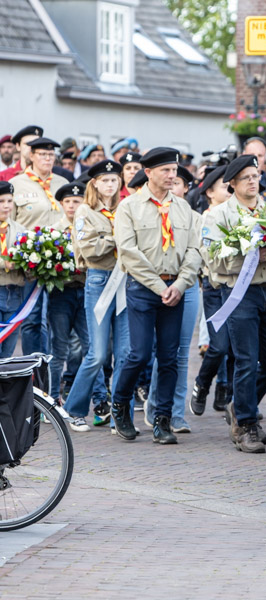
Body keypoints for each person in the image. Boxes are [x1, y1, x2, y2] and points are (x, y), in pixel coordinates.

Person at [109, 147, 201, 445]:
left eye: (174, 170)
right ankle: (120, 404)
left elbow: (194, 250)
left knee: (170, 357)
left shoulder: (183, 208)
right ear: (148, 173)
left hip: (175, 288)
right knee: (139, 354)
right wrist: (161, 288)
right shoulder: (129, 207)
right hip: (143, 289)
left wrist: (181, 284)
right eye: (165, 170)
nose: (172, 175)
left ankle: (163, 419)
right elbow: (128, 252)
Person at [201, 155, 266, 453]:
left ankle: (239, 405)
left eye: (256, 175)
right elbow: (212, 259)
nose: (252, 181)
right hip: (239, 292)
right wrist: (249, 256)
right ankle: (246, 424)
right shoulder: (218, 215)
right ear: (233, 183)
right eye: (246, 177)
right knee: (246, 359)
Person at [65, 160, 130, 432]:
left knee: (125, 353)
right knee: (98, 353)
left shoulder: (125, 208)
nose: (110, 185)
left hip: (125, 280)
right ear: (95, 183)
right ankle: (74, 409)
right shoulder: (86, 211)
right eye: (105, 180)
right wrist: (119, 238)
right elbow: (89, 250)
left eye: (114, 180)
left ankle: (119, 414)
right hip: (99, 280)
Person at [143, 163, 200, 433]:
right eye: (170, 181)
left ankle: (176, 413)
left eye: (178, 183)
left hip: (187, 285)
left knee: (181, 352)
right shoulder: (152, 211)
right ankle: (155, 406)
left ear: (186, 188)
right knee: (162, 351)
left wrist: (182, 282)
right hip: (156, 285)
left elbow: (196, 250)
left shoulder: (192, 215)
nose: (173, 186)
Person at [11, 136, 66, 355]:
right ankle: (34, 368)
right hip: (30, 263)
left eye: (51, 154)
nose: (47, 158)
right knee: (32, 319)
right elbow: (10, 223)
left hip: (61, 262)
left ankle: (55, 367)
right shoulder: (17, 184)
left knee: (59, 320)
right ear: (31, 156)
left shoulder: (62, 183)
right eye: (42, 154)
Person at [190, 166, 234, 415]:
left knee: (237, 346)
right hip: (214, 286)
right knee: (219, 345)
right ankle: (202, 383)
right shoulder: (205, 218)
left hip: (237, 285)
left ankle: (228, 393)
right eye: (224, 188)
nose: (229, 192)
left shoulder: (237, 214)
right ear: (209, 192)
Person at [47, 182, 90, 412]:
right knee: (59, 348)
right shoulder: (54, 231)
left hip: (85, 290)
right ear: (61, 204)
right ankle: (52, 399)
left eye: (77, 201)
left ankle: (92, 398)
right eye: (68, 202)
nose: (72, 206)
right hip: (61, 293)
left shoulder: (89, 226)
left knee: (89, 347)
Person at [0, 181, 26, 357]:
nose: (6, 206)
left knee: (8, 351)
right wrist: (4, 263)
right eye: (1, 201)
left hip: (14, 292)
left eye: (9, 201)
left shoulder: (20, 230)